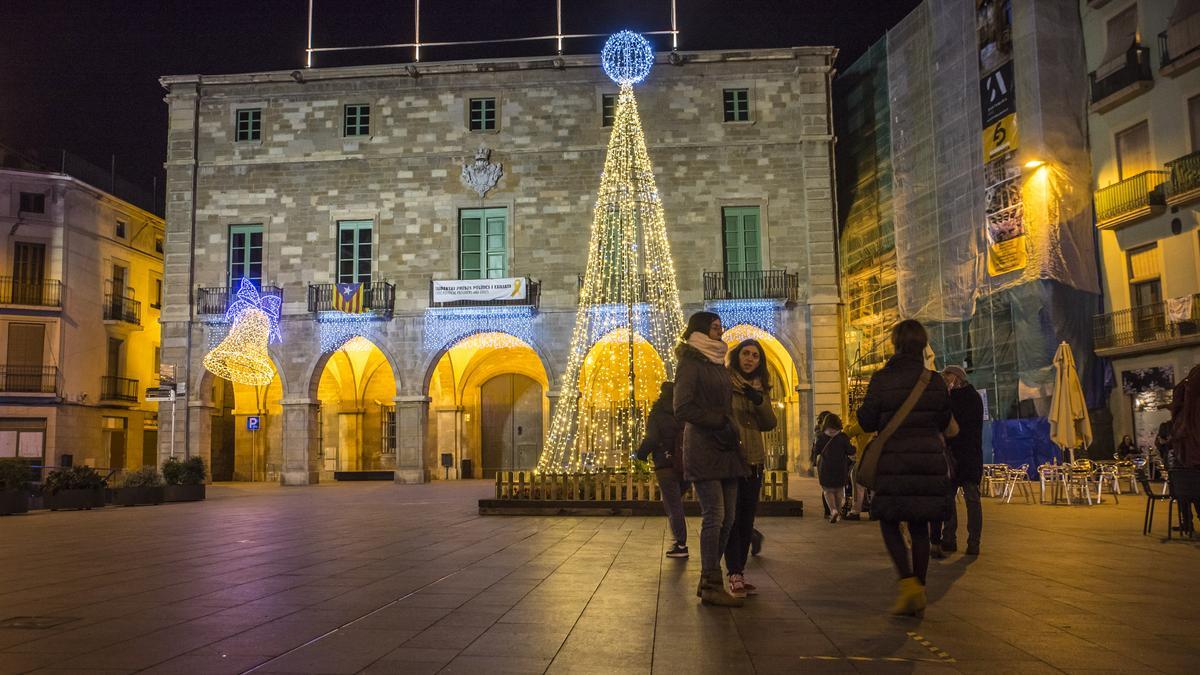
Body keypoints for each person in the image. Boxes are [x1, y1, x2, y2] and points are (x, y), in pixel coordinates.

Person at [856, 320, 952, 617]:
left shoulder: (882, 378)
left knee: (889, 520)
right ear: (923, 345)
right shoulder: (934, 380)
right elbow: (945, 421)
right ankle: (919, 587)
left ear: (895, 344)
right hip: (928, 459)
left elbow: (867, 421)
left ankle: (907, 583)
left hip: (894, 459)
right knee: (919, 525)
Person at [674, 311, 744, 607]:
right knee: (714, 514)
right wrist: (717, 421)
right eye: (715, 327)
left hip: (725, 445)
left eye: (720, 327)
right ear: (701, 329)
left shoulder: (718, 362)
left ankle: (708, 576)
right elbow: (682, 407)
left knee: (728, 517)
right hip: (703, 444)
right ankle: (712, 582)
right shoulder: (690, 363)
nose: (721, 331)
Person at [723, 338, 777, 598]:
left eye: (755, 356)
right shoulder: (725, 383)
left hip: (754, 460)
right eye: (745, 353)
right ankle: (732, 572)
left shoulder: (760, 387)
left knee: (746, 519)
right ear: (737, 356)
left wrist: (759, 401)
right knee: (730, 519)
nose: (750, 359)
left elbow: (769, 424)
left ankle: (739, 573)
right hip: (731, 460)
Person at [636, 381, 689, 558]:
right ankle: (679, 540)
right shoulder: (684, 412)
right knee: (675, 503)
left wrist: (641, 454)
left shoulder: (657, 413)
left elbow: (651, 438)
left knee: (673, 504)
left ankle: (681, 544)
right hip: (684, 464)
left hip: (665, 465)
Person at [939, 365, 985, 556]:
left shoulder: (955, 399)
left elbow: (948, 425)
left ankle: (953, 539)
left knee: (960, 498)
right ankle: (968, 541)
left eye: (947, 378)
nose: (945, 381)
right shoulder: (974, 398)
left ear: (956, 378)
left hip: (959, 455)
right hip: (969, 455)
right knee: (968, 499)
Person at [1169, 364, 1200, 538]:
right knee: (1190, 491)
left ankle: (1187, 523)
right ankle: (1187, 522)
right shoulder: (1189, 413)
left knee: (1187, 492)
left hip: (1188, 464)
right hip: (1190, 465)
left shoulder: (1188, 413)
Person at [813, 412, 855, 523]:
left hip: (825, 468)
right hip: (840, 468)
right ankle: (839, 510)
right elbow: (851, 450)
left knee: (828, 490)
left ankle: (833, 510)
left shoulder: (821, 437)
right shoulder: (843, 437)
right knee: (839, 491)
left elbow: (816, 451)